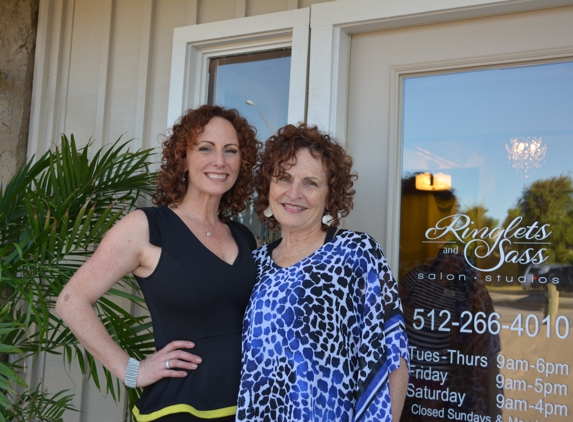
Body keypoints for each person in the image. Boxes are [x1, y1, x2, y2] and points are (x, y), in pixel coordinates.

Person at [56, 105, 260, 421]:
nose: (219, 161)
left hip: (249, 407)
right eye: (206, 148)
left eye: (230, 151)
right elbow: (71, 301)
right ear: (183, 159)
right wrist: (130, 369)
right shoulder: (147, 227)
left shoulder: (244, 237)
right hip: (180, 409)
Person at [237, 123, 410, 422]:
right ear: (268, 186)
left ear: (330, 195)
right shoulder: (253, 264)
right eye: (284, 178)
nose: (294, 193)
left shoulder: (357, 253)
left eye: (310, 183)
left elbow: (393, 354)